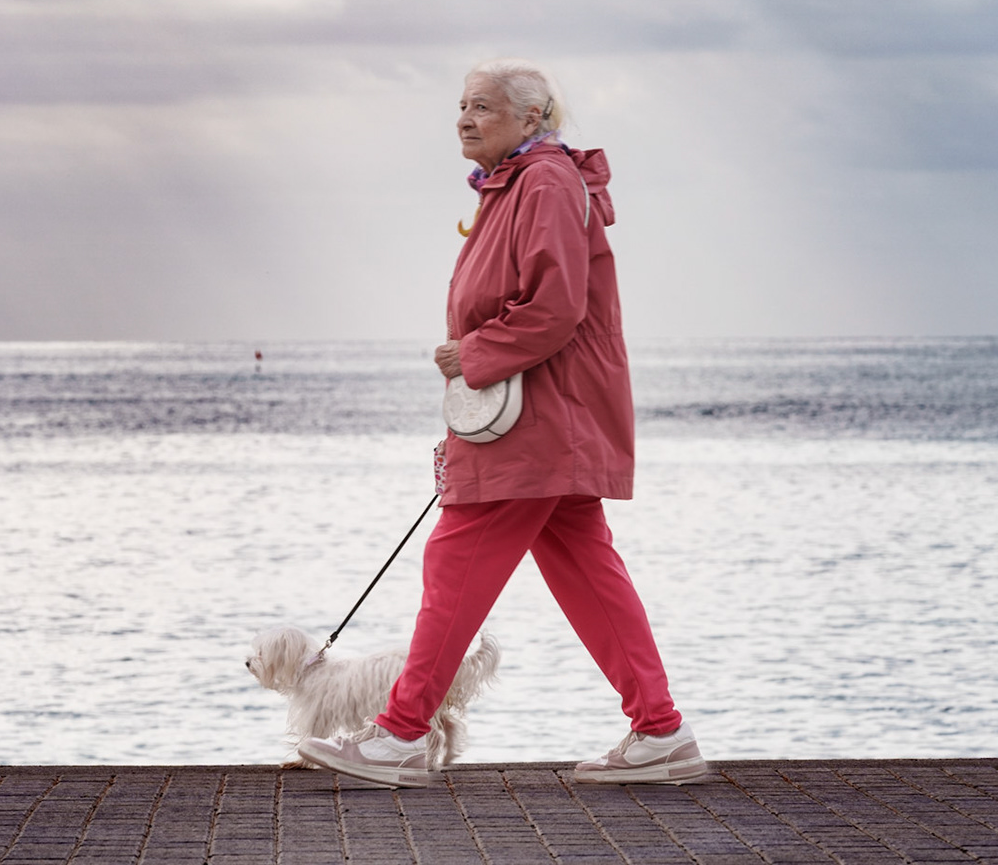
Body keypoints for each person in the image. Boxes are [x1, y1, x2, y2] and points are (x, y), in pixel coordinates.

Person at [297, 59, 705, 788]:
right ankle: (660, 731)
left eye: (481, 106)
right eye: (461, 105)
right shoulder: (523, 182)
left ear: (531, 118)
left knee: (456, 560)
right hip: (552, 414)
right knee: (587, 570)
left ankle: (398, 735)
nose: (464, 117)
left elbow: (554, 306)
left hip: (541, 416)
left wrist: (473, 354)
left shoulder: (543, 181)